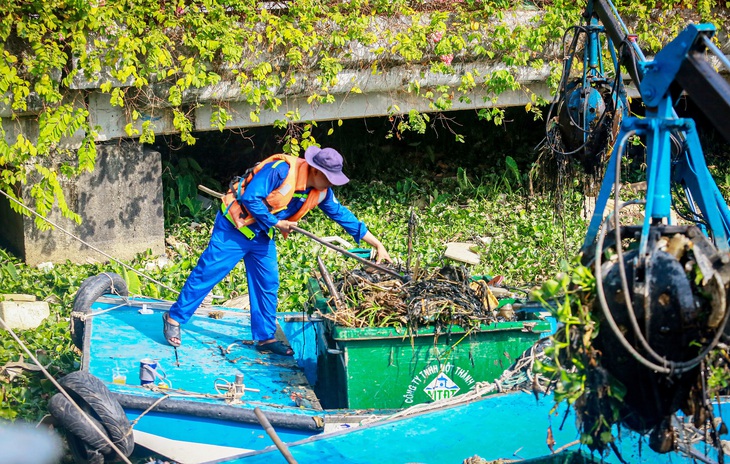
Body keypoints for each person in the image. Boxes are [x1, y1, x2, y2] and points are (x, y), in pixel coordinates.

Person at [162, 146, 392, 355]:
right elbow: (251, 198)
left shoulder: (321, 191)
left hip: (261, 234)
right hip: (234, 228)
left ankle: (265, 338)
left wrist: (377, 244)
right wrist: (276, 223)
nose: (332, 184)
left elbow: (342, 216)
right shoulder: (281, 171)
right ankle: (174, 318)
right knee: (209, 273)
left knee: (268, 283)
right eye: (329, 179)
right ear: (315, 171)